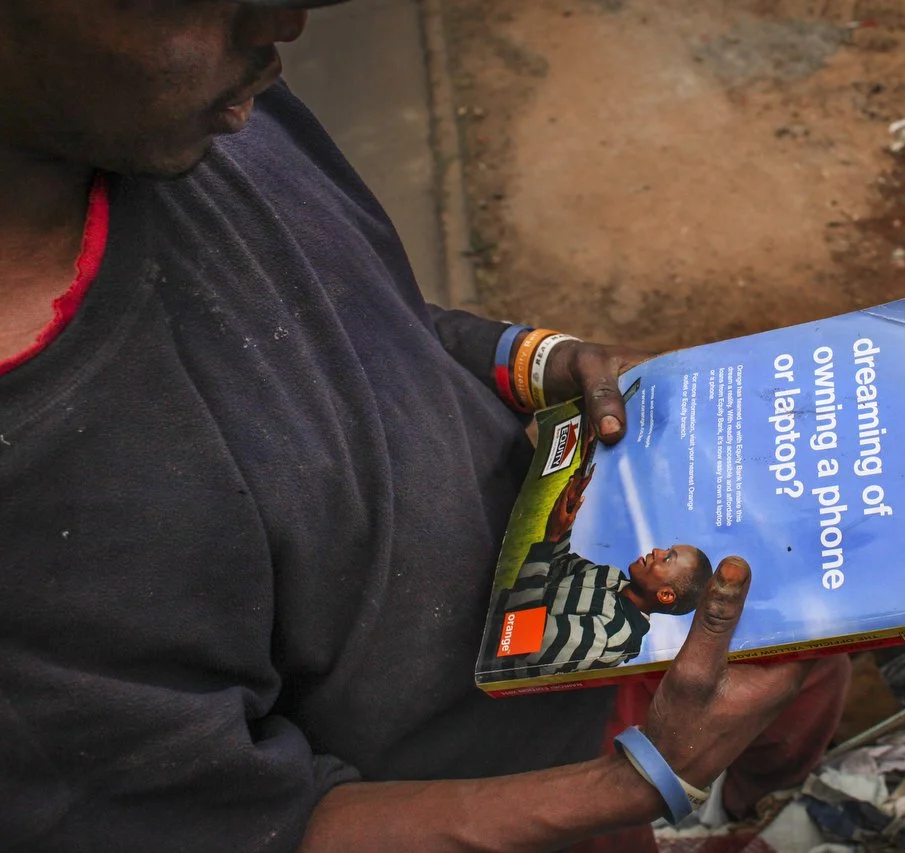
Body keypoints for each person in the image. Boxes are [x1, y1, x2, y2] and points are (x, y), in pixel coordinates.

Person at [0, 2, 851, 851]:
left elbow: (358, 316)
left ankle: (742, 803)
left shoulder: (193, 114)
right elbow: (264, 830)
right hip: (522, 805)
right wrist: (638, 781)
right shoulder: (35, 512)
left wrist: (537, 361)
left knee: (810, 646)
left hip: (588, 679)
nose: (285, 22)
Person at [492, 442, 714, 677]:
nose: (657, 551)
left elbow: (520, 639)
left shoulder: (615, 635)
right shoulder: (610, 576)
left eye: (668, 559)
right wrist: (569, 506)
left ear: (666, 595)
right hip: (480, 609)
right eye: (666, 549)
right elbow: (555, 565)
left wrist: (550, 539)